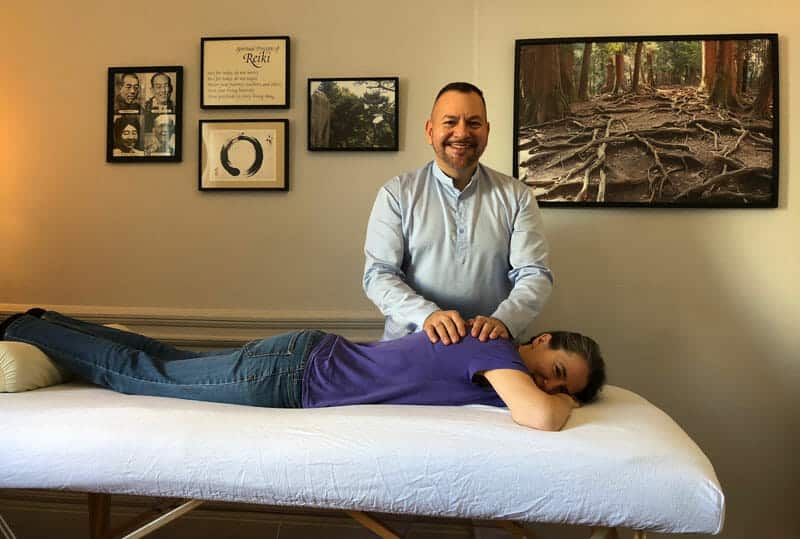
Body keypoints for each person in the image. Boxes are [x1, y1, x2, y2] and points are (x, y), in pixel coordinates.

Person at [1, 310, 605, 432]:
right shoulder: (495, 349)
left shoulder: (492, 351)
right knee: (144, 373)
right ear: (540, 340)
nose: (551, 386)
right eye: (556, 369)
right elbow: (540, 418)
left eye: (563, 385)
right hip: (292, 378)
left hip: (302, 358)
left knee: (164, 359)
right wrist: (566, 405)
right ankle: (23, 329)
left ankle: (39, 321)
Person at [363, 82, 553, 346]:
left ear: (487, 131)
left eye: (474, 123)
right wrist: (427, 315)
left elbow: (534, 274)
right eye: (450, 122)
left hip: (489, 350)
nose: (461, 133)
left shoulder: (517, 196)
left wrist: (504, 320)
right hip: (410, 347)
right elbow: (379, 275)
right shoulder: (396, 194)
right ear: (430, 131)